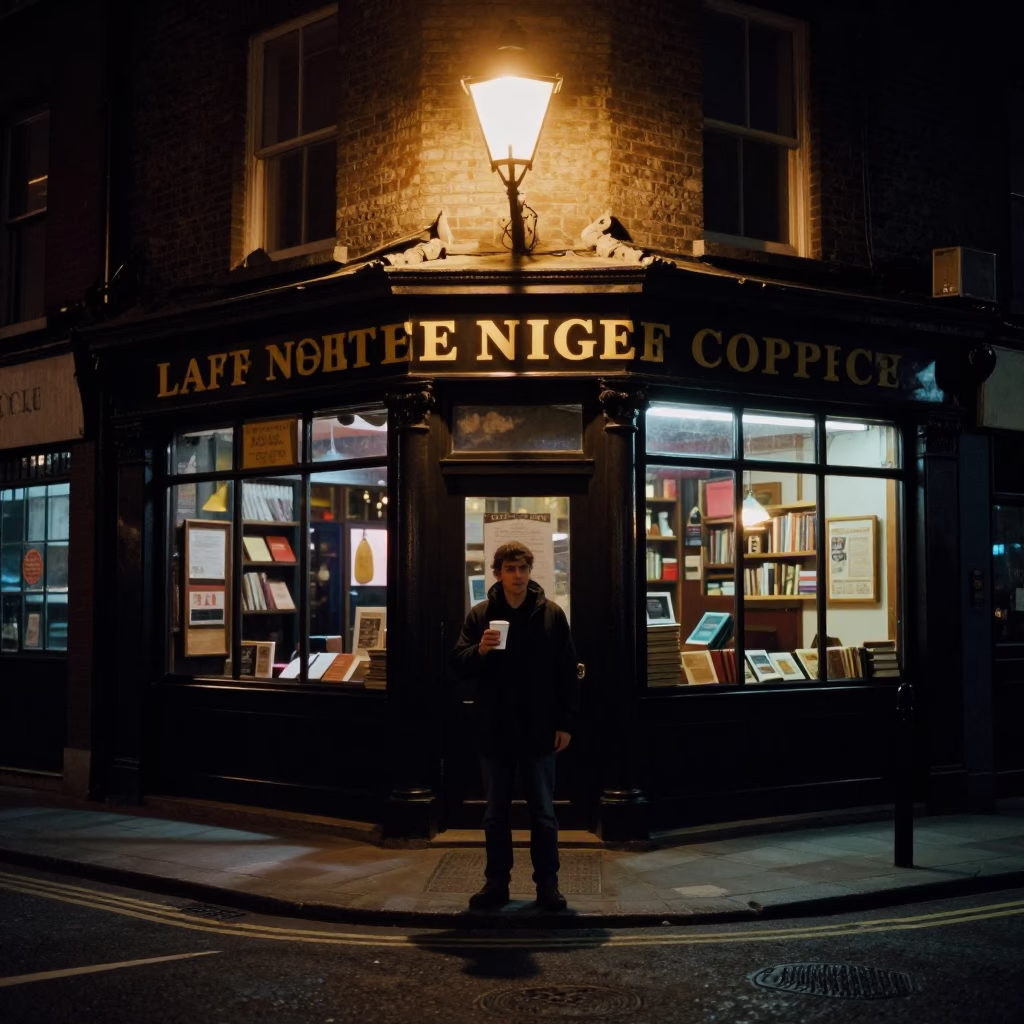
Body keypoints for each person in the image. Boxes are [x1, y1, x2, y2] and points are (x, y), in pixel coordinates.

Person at [453, 541, 580, 912]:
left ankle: (548, 886)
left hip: (539, 729)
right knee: (496, 814)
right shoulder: (481, 615)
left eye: (523, 568)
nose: (518, 576)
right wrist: (479, 650)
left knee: (543, 814)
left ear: (530, 571)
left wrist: (566, 723)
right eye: (510, 569)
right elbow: (456, 663)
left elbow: (566, 674)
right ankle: (496, 884)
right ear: (497, 573)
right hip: (495, 729)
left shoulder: (551, 615)